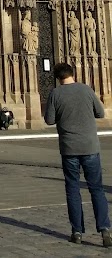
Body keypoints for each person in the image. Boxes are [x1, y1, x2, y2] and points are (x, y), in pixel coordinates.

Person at [44, 61, 111, 246]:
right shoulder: (86, 90)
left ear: (57, 78)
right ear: (72, 73)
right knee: (96, 189)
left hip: (69, 148)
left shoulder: (55, 94)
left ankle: (77, 232)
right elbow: (100, 113)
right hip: (90, 147)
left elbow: (49, 119)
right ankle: (105, 230)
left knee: (73, 190)